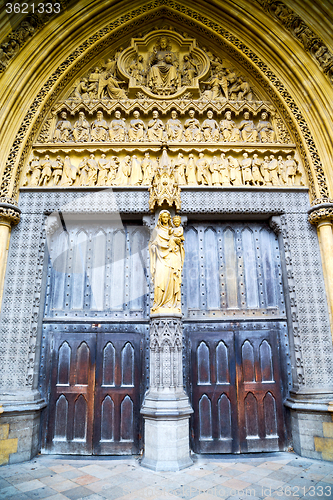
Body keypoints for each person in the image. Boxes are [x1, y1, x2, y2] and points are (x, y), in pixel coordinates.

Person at [149, 210, 184, 313]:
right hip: (160, 258)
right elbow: (151, 244)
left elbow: (180, 243)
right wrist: (154, 247)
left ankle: (172, 305)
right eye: (163, 217)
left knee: (172, 281)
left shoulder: (173, 230)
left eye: (166, 217)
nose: (165, 219)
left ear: (169, 218)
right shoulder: (156, 231)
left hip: (172, 257)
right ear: (160, 218)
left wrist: (178, 244)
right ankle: (159, 304)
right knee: (160, 281)